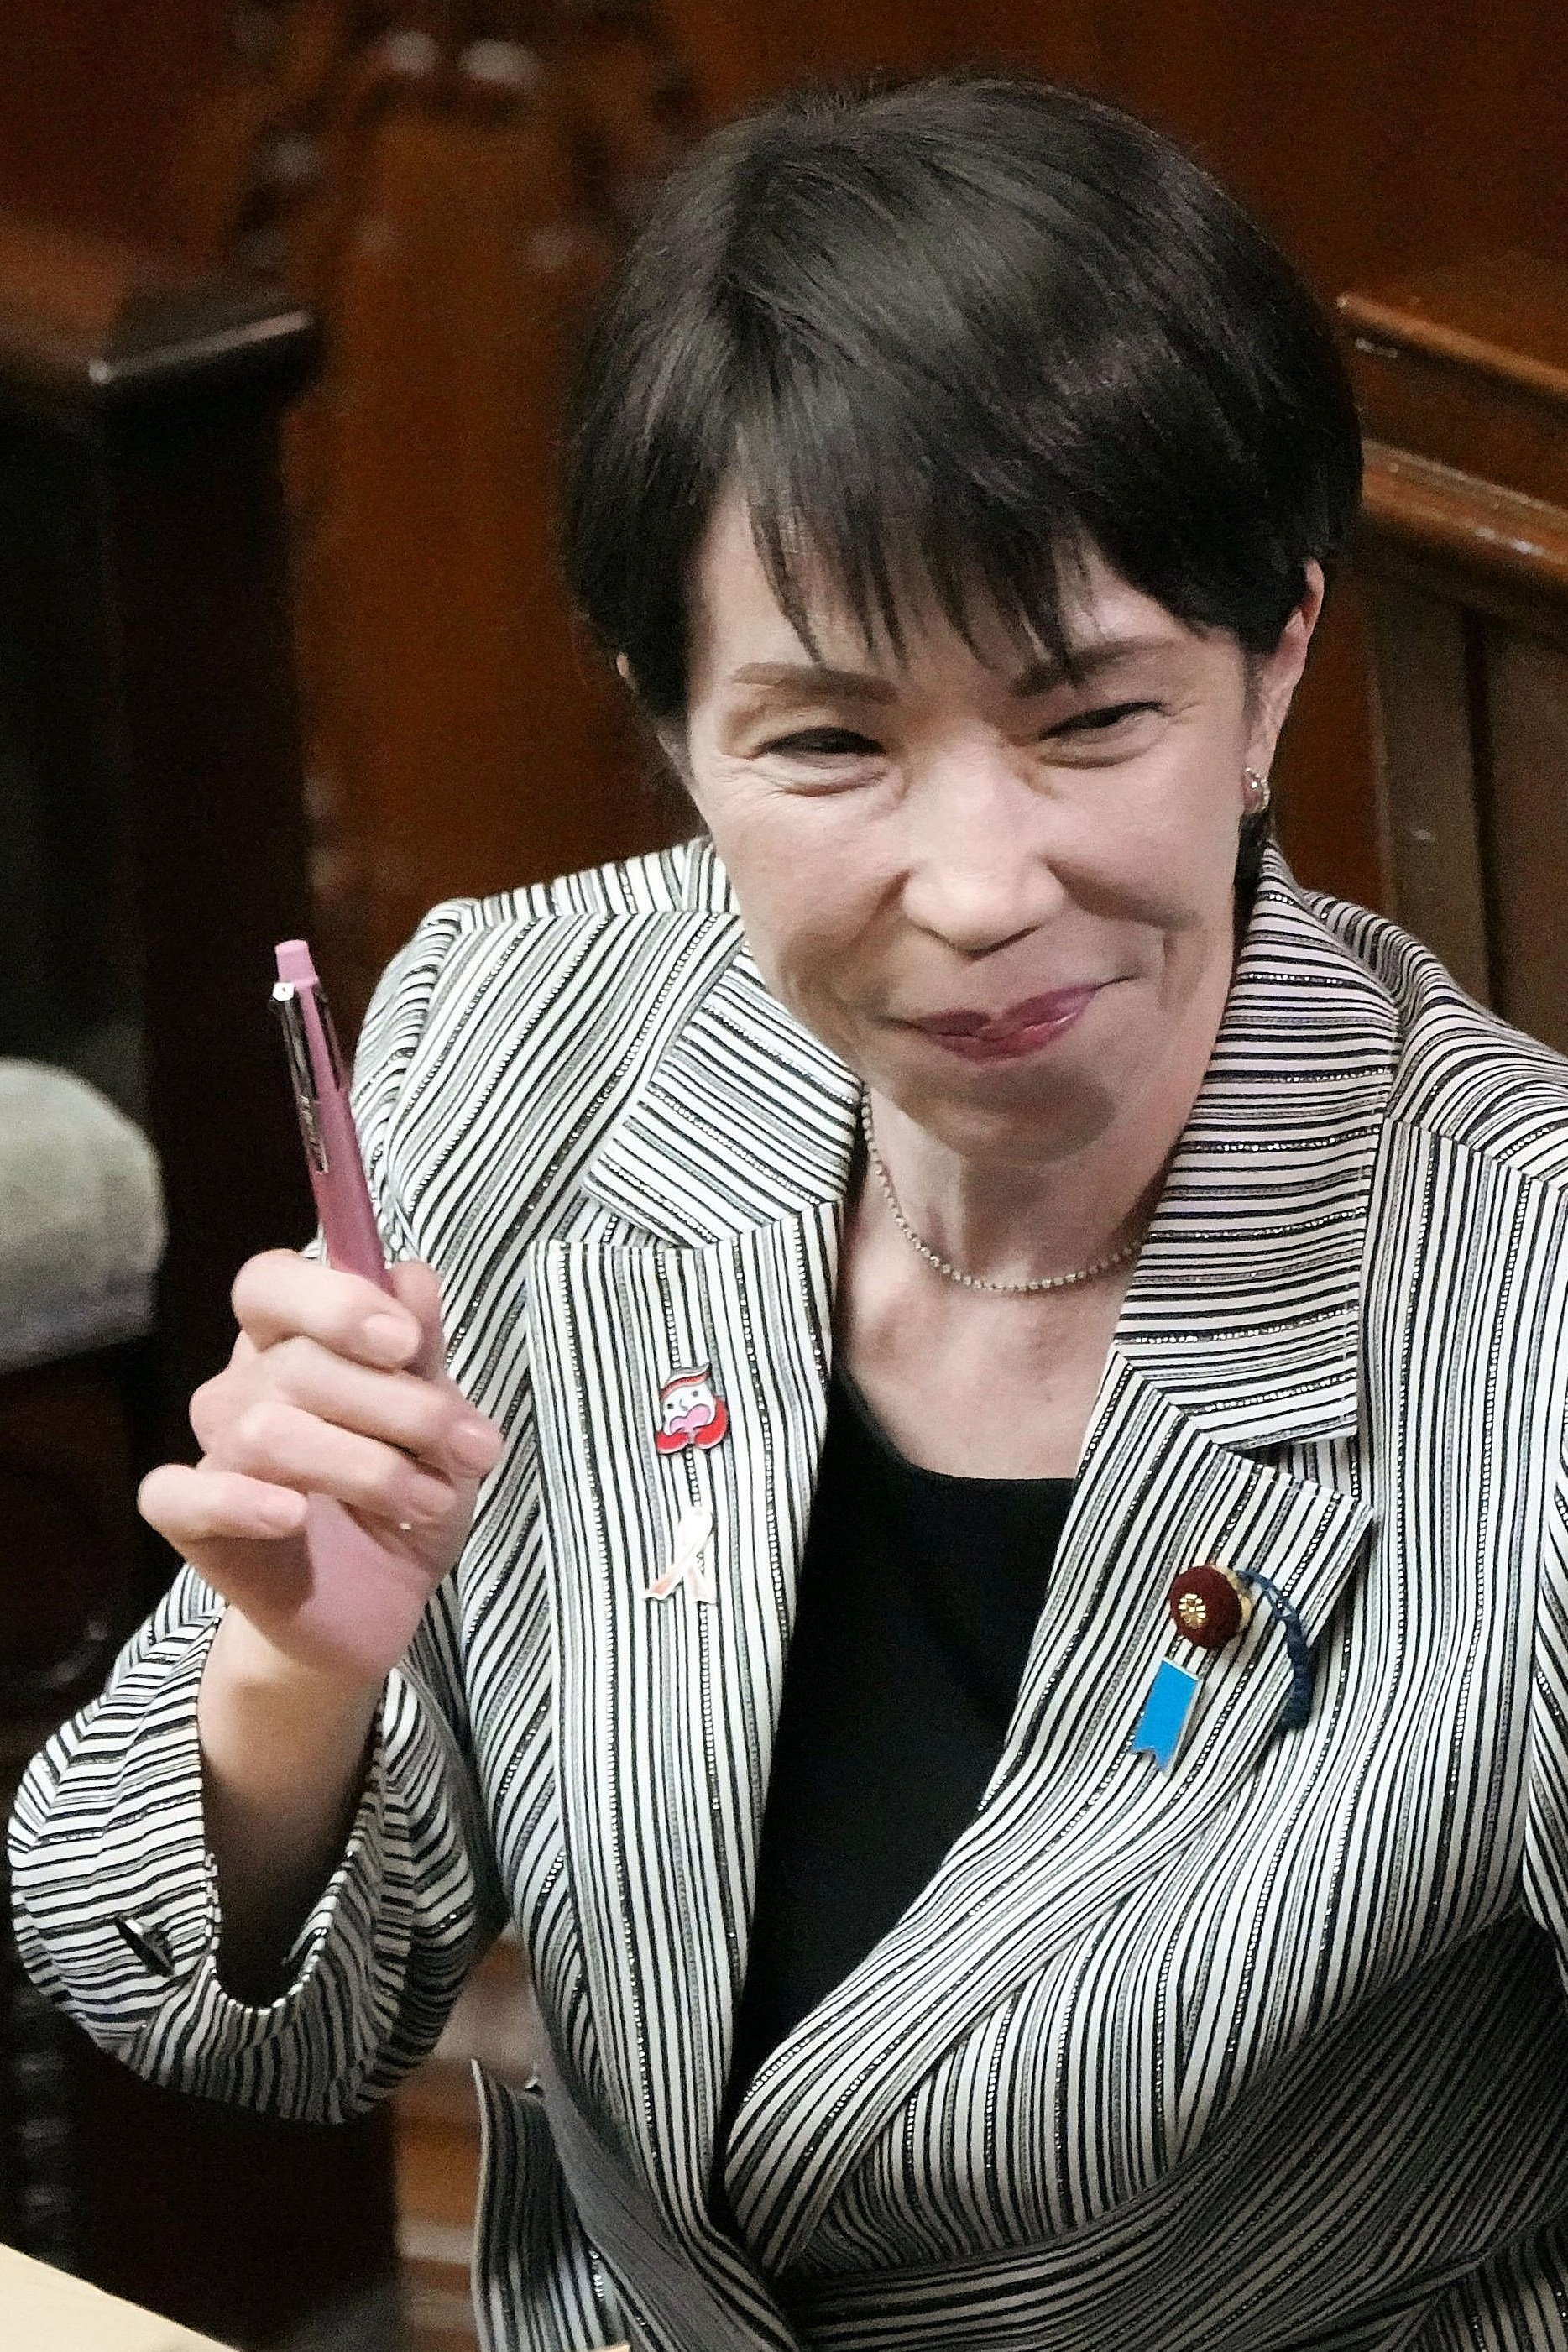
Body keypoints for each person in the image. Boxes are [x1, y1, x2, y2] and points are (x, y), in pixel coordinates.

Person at [12, 71, 1568, 2352]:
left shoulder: (1513, 1298)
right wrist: (297, 1666)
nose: (968, 888)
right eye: (828, 743)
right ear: (673, 726)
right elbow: (245, 2009)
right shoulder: (522, 1032)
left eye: (1083, 718)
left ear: (1272, 674)